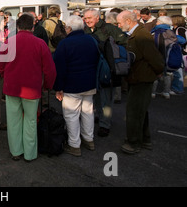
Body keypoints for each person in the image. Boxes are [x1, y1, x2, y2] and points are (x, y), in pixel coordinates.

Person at [0, 13, 56, 162]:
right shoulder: (40, 43)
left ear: (17, 26)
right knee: (30, 121)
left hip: (12, 88)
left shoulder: (9, 42)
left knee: (14, 120)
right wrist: (48, 85)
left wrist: (6, 76)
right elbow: (50, 70)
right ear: (33, 26)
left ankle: (16, 151)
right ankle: (30, 154)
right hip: (32, 89)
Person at [116, 10, 164, 154]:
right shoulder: (137, 34)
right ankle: (144, 139)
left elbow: (155, 59)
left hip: (142, 79)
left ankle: (134, 142)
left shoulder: (141, 36)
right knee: (140, 110)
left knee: (134, 112)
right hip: (138, 78)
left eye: (119, 23)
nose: (118, 26)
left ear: (128, 21)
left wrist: (157, 72)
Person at [53, 15, 99, 156]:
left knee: (71, 115)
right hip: (89, 83)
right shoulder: (91, 40)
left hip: (72, 85)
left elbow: (59, 68)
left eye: (67, 27)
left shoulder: (65, 44)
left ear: (70, 28)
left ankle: (74, 144)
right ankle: (88, 139)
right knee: (88, 112)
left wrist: (58, 88)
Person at [83, 8, 127, 137]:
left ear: (97, 18)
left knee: (106, 99)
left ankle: (105, 124)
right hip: (93, 69)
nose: (87, 21)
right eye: (85, 18)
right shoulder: (86, 30)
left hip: (107, 68)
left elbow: (124, 42)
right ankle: (101, 117)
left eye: (89, 18)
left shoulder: (109, 28)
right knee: (96, 97)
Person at [170, 15, 187, 95]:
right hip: (180, 52)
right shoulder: (175, 29)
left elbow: (183, 41)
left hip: (182, 52)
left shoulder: (180, 29)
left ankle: (178, 89)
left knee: (179, 71)